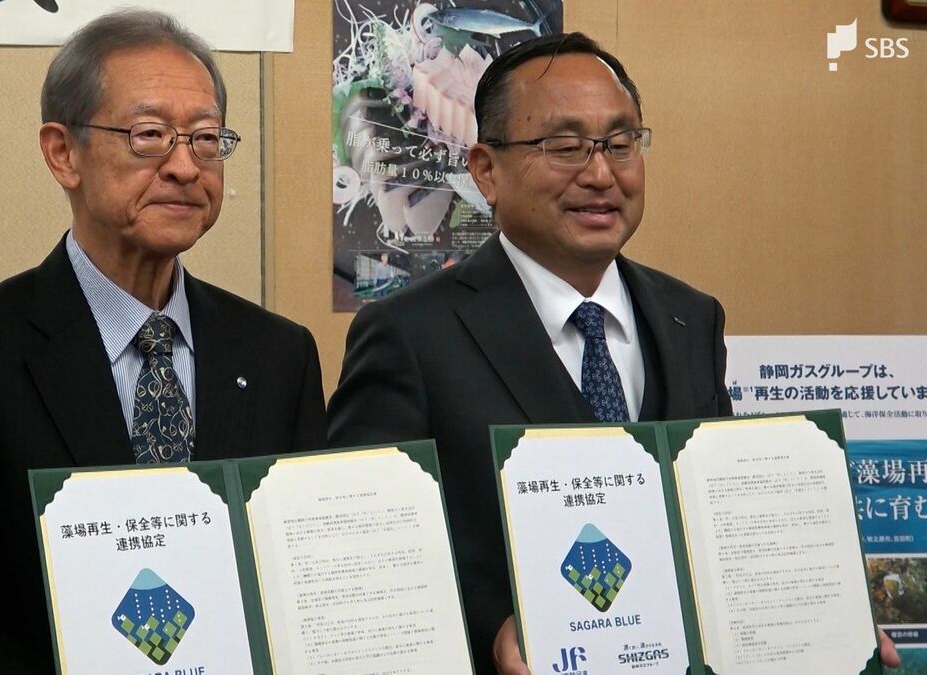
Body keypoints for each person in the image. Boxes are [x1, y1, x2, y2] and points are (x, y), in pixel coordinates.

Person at [327, 33, 899, 674]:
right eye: (564, 146)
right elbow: (365, 562)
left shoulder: (691, 318)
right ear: (486, 170)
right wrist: (493, 630)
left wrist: (815, 613)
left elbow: (718, 521)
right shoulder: (409, 334)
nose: (600, 174)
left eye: (620, 143)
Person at [0, 9, 326, 673]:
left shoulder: (278, 353)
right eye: (149, 136)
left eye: (207, 138)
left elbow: (302, 568)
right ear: (63, 153)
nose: (186, 167)